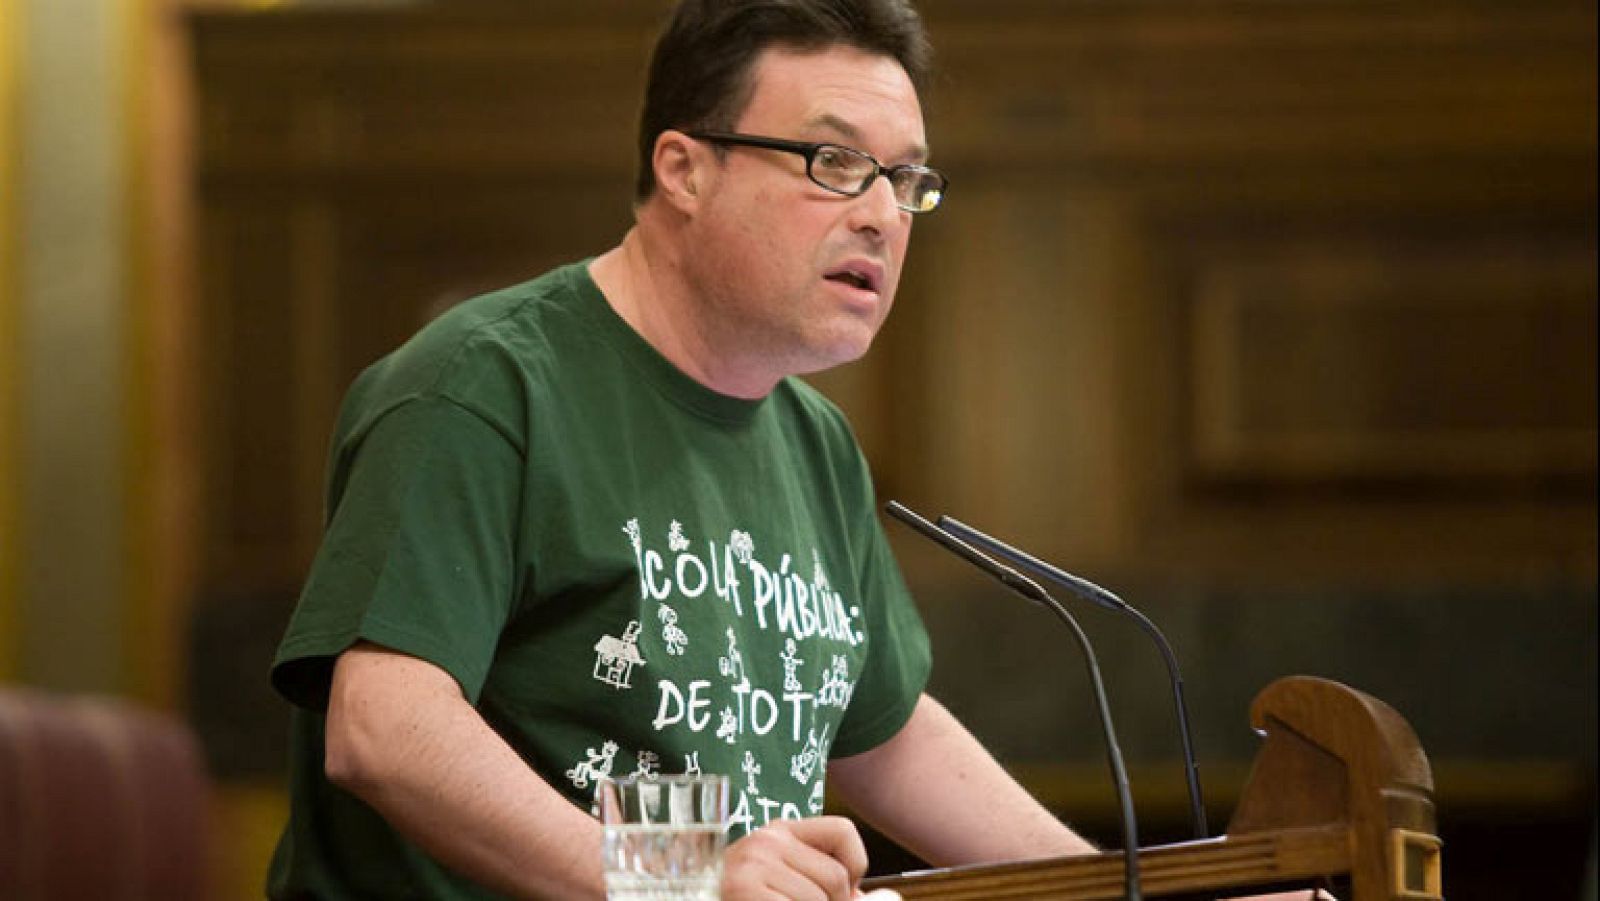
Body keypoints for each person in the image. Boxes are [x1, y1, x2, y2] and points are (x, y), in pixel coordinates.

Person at [265, 1, 1325, 899]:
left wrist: (1125, 890)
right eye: (833, 162)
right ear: (682, 167)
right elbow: (384, 729)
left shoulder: (811, 439)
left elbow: (883, 733)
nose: (880, 216)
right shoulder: (484, 386)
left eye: (904, 180)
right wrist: (678, 876)